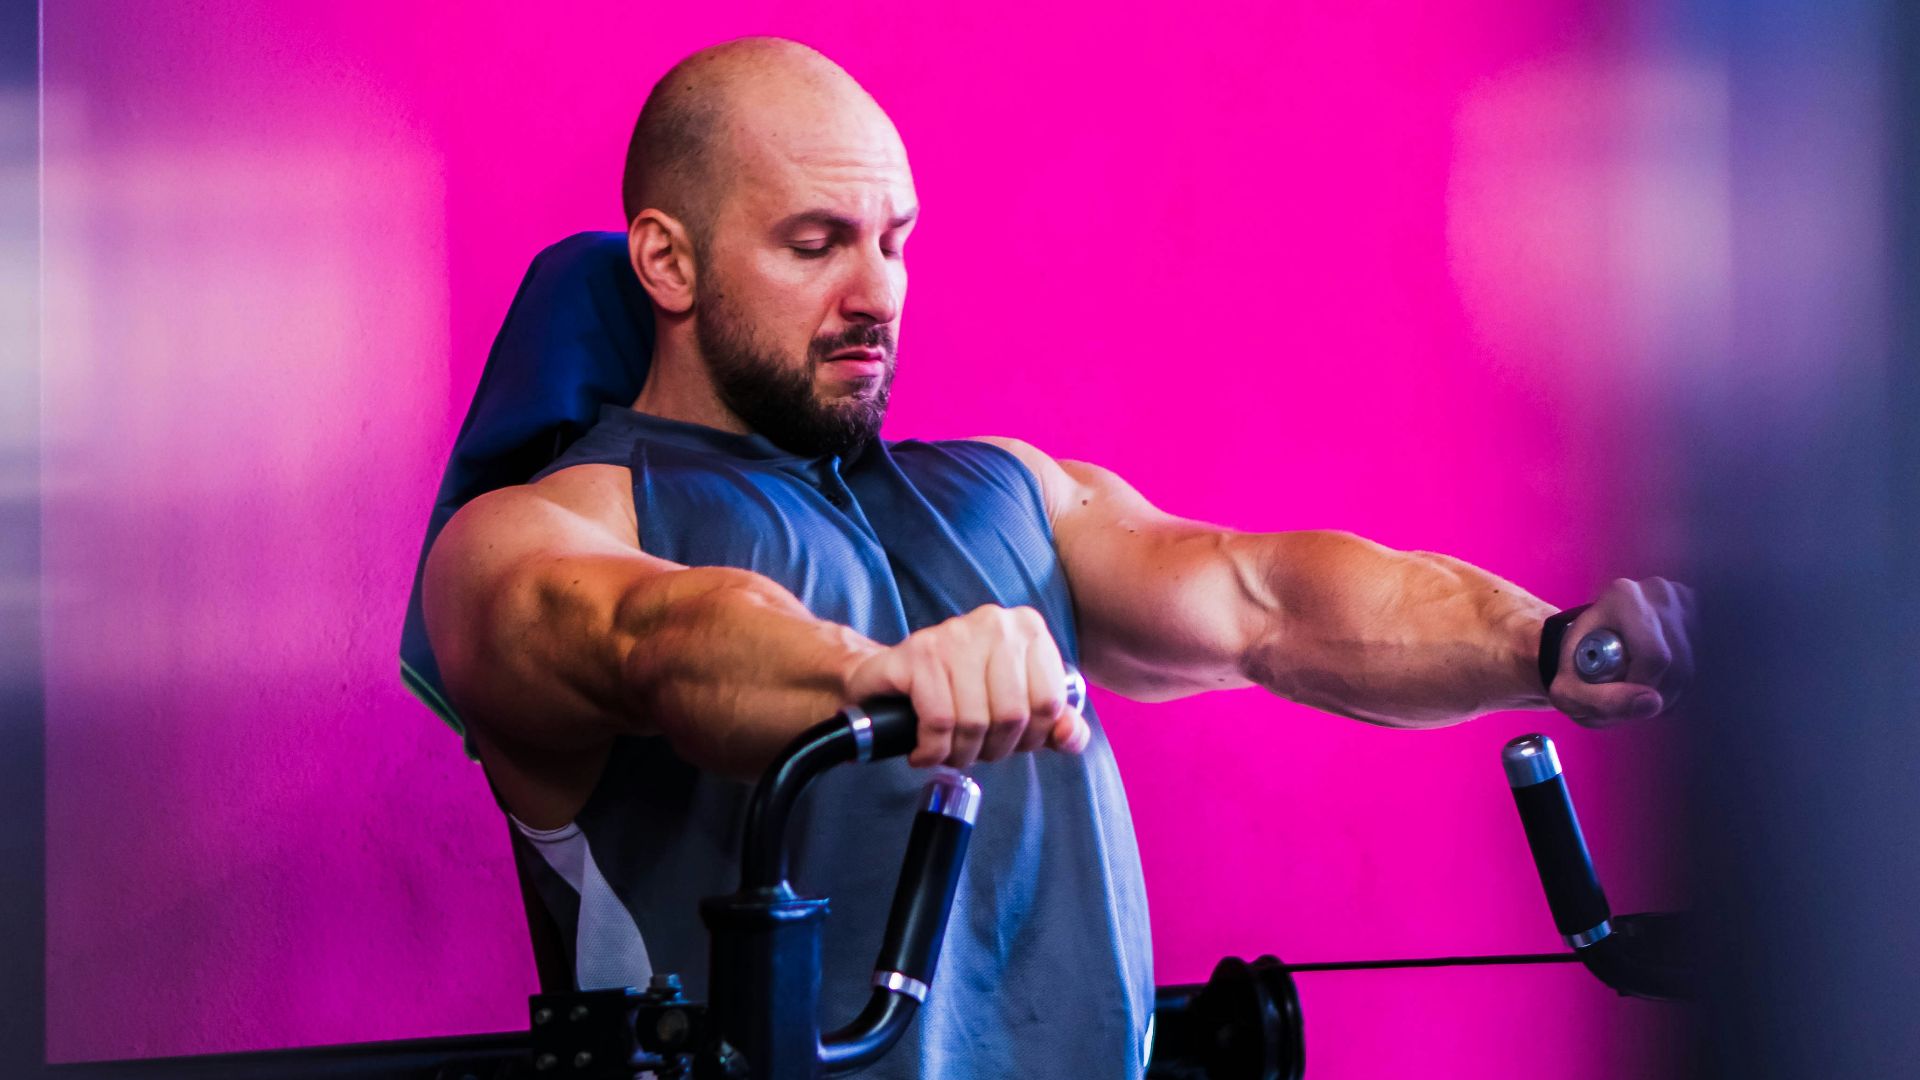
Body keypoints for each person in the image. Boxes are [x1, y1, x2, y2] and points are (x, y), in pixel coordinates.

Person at [420, 36, 1694, 1080]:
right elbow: (659, 642)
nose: (878, 293)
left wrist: (1547, 644)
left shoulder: (1003, 494)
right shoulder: (548, 530)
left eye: (896, 240)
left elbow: (1265, 599)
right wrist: (884, 676)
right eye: (816, 244)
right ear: (668, 261)